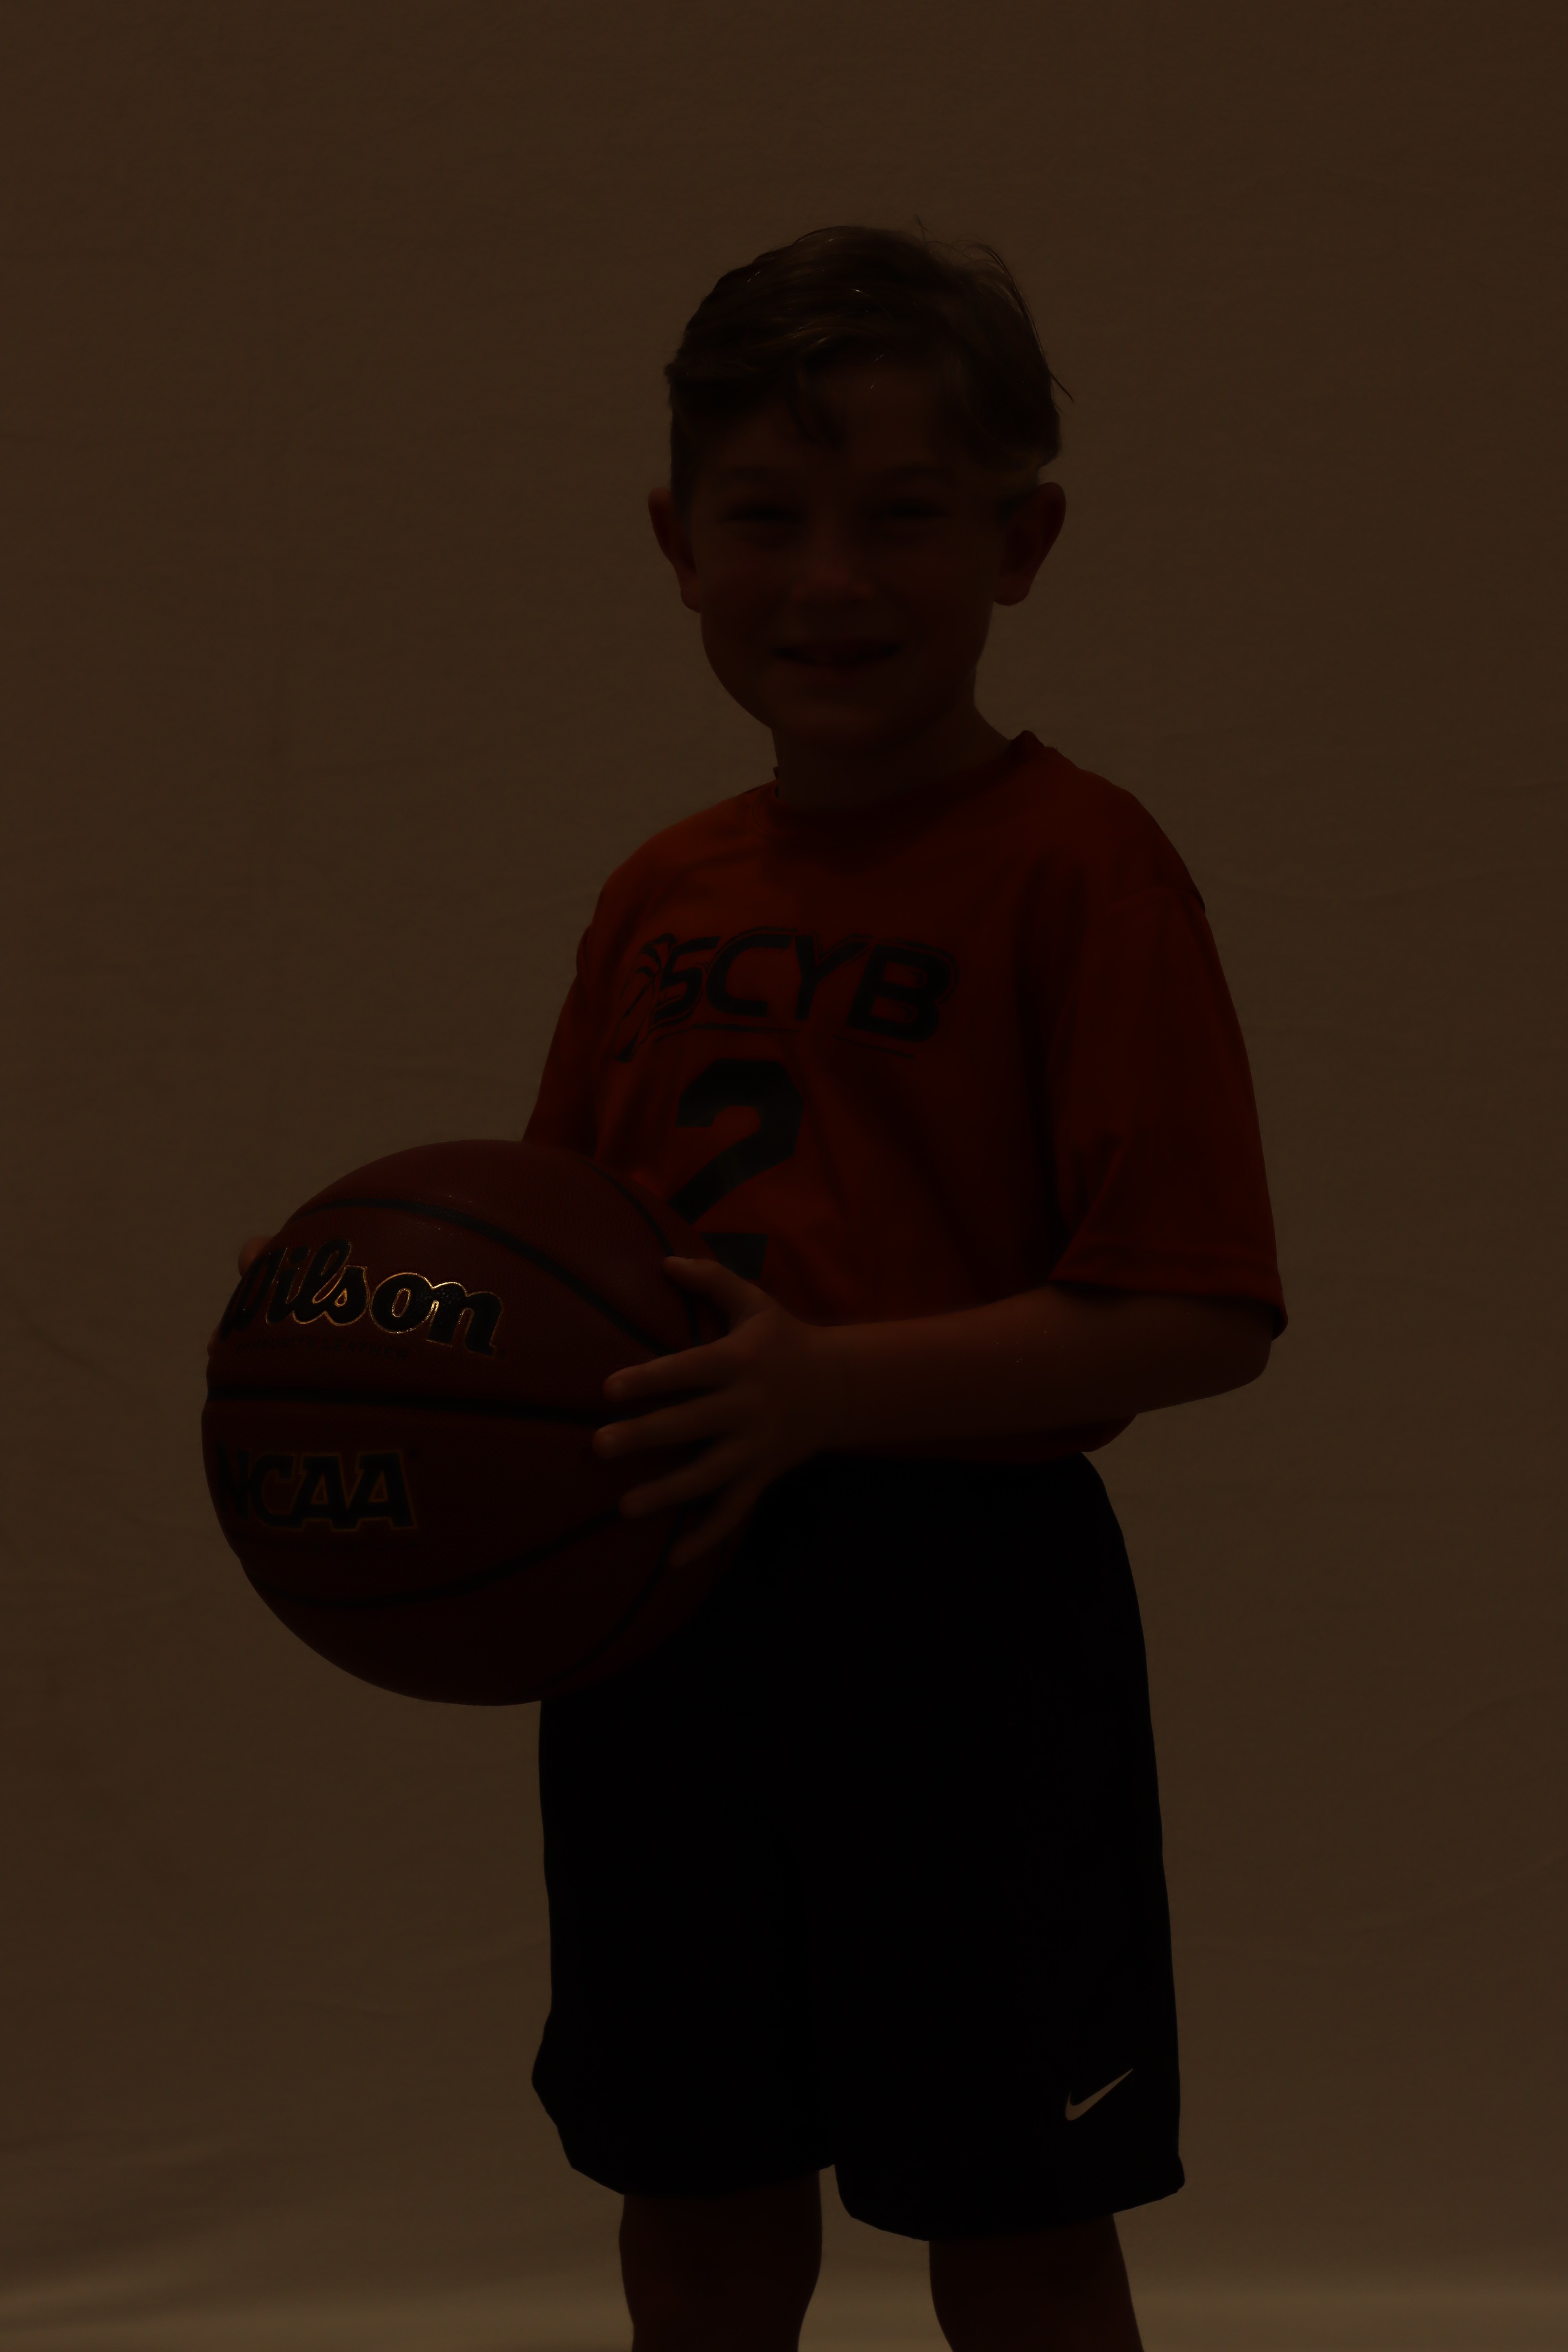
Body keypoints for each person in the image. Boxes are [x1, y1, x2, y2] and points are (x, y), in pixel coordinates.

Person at [520, 226, 1285, 2352]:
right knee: (693, 2187)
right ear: (676, 544)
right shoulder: (660, 887)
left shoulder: (1082, 867)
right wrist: (366, 1304)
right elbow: (557, 1261)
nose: (829, 580)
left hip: (969, 1626)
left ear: (1022, 542)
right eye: (766, 517)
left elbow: (1198, 1315)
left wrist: (826, 1392)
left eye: (905, 517)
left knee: (1015, 2211)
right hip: (661, 1608)